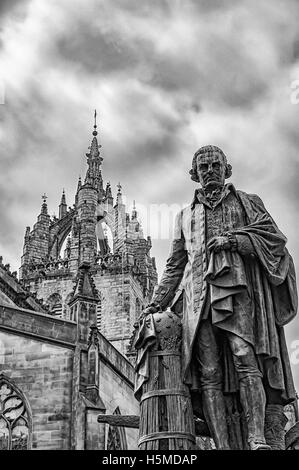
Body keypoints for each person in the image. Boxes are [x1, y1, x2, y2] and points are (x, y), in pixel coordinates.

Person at [141, 145, 298, 450]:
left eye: (215, 165)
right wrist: (157, 301)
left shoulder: (247, 202)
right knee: (209, 372)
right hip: (198, 301)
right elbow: (175, 265)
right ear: (194, 174)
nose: (209, 171)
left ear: (227, 169)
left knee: (245, 358)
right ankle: (223, 446)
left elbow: (273, 240)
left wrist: (234, 241)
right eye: (203, 167)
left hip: (239, 293)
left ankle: (256, 439)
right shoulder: (185, 215)